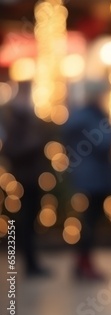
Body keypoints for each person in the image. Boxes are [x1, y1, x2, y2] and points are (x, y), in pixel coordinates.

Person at [61, 81, 111, 280]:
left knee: (88, 221)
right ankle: (84, 263)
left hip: (84, 175)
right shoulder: (93, 117)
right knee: (90, 222)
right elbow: (103, 143)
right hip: (95, 177)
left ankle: (82, 262)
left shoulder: (77, 116)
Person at [1, 81, 53, 278]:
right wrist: (34, 145)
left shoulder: (30, 118)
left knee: (31, 219)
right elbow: (10, 149)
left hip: (32, 175)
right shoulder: (14, 119)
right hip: (23, 177)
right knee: (24, 219)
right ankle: (28, 262)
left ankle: (33, 261)